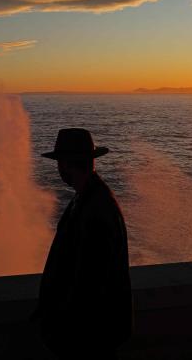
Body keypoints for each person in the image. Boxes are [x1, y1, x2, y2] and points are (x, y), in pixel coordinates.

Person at [33, 128, 132, 360]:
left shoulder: (96, 208)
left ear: (66, 165)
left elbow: (90, 283)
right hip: (88, 335)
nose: (58, 169)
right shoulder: (89, 197)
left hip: (88, 338)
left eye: (59, 163)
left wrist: (62, 327)